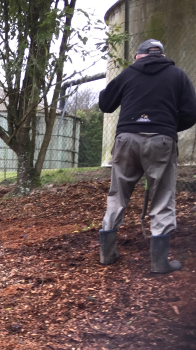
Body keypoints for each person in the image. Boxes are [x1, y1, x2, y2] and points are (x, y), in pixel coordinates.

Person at [98, 39, 196, 274]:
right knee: (162, 197)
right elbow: (191, 113)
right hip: (161, 140)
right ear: (161, 55)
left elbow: (105, 104)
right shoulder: (178, 75)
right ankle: (159, 263)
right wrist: (167, 126)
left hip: (126, 140)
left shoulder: (128, 74)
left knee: (118, 194)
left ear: (139, 56)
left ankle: (107, 255)